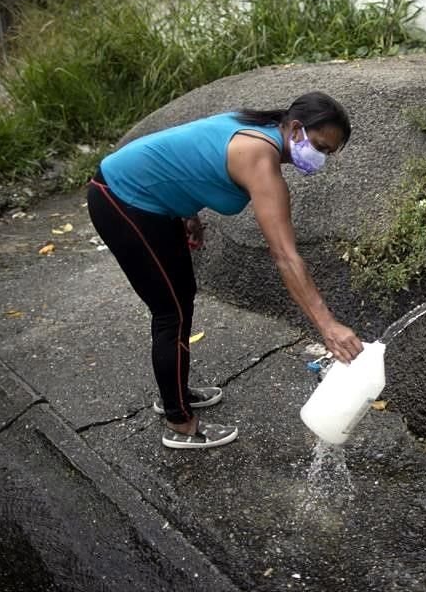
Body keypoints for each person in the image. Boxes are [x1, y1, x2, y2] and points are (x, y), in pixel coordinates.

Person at [87, 91, 364, 450]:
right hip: (122, 196)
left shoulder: (261, 126)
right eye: (322, 147)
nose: (322, 159)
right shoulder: (260, 157)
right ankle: (179, 423)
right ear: (296, 129)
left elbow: (191, 156)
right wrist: (328, 327)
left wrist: (187, 210)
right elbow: (285, 256)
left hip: (153, 202)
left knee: (181, 298)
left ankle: (175, 394)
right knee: (170, 312)